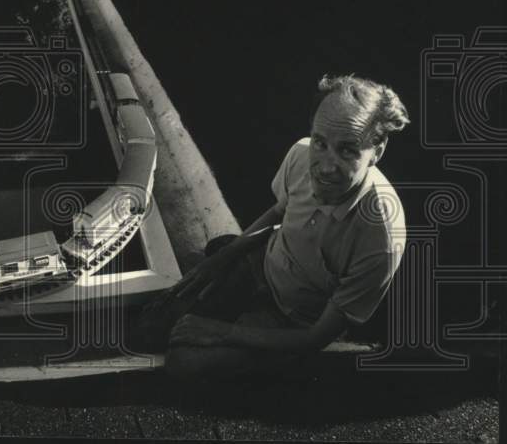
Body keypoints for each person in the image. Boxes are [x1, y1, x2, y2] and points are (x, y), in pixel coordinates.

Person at [134, 74, 410, 385]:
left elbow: (315, 337)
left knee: (183, 363)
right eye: (321, 143)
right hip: (262, 265)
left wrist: (223, 331)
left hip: (292, 318)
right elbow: (280, 211)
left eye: (347, 151)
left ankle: (278, 365)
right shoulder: (300, 155)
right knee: (147, 330)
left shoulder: (381, 236)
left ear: (378, 151)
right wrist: (224, 257)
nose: (326, 167)